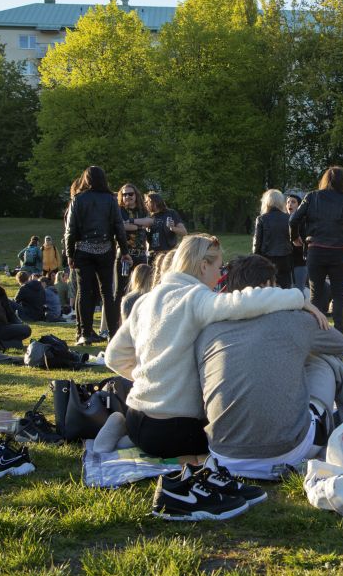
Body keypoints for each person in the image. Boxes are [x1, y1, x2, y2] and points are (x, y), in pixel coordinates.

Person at [104, 234, 329, 458]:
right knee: (229, 439)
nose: (220, 275)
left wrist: (150, 378)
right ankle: (129, 436)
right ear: (203, 266)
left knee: (149, 437)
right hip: (176, 428)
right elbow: (246, 301)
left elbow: (113, 357)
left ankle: (123, 428)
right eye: (219, 268)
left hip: (136, 415)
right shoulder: (196, 299)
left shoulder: (145, 301)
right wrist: (299, 298)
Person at [195, 254, 343, 479]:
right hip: (288, 451)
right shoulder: (292, 319)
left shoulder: (209, 330)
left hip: (224, 455)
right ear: (268, 286)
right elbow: (340, 344)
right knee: (325, 361)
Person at [289, 166, 343, 333]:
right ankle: (339, 332)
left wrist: (295, 238)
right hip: (339, 251)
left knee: (316, 295)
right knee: (338, 295)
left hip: (316, 250)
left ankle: (315, 332)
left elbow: (294, 220)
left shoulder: (312, 197)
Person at [64, 166, 131, 346]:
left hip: (83, 250)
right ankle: (112, 333)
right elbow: (119, 227)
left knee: (84, 292)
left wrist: (70, 254)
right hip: (105, 249)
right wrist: (124, 252)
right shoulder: (110, 200)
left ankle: (84, 333)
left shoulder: (78, 200)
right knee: (107, 293)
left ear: (86, 179)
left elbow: (70, 231)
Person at [253, 189, 294, 288]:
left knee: (267, 288)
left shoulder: (261, 219)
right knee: (286, 287)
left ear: (266, 202)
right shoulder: (289, 218)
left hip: (267, 259)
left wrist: (254, 258)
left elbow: (257, 243)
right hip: (285, 258)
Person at [286, 193, 308, 292]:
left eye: (293, 202)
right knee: (287, 289)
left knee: (300, 289)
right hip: (286, 261)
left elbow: (304, 241)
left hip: (300, 261)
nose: (290, 204)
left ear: (299, 206)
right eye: (288, 202)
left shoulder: (304, 221)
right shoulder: (283, 220)